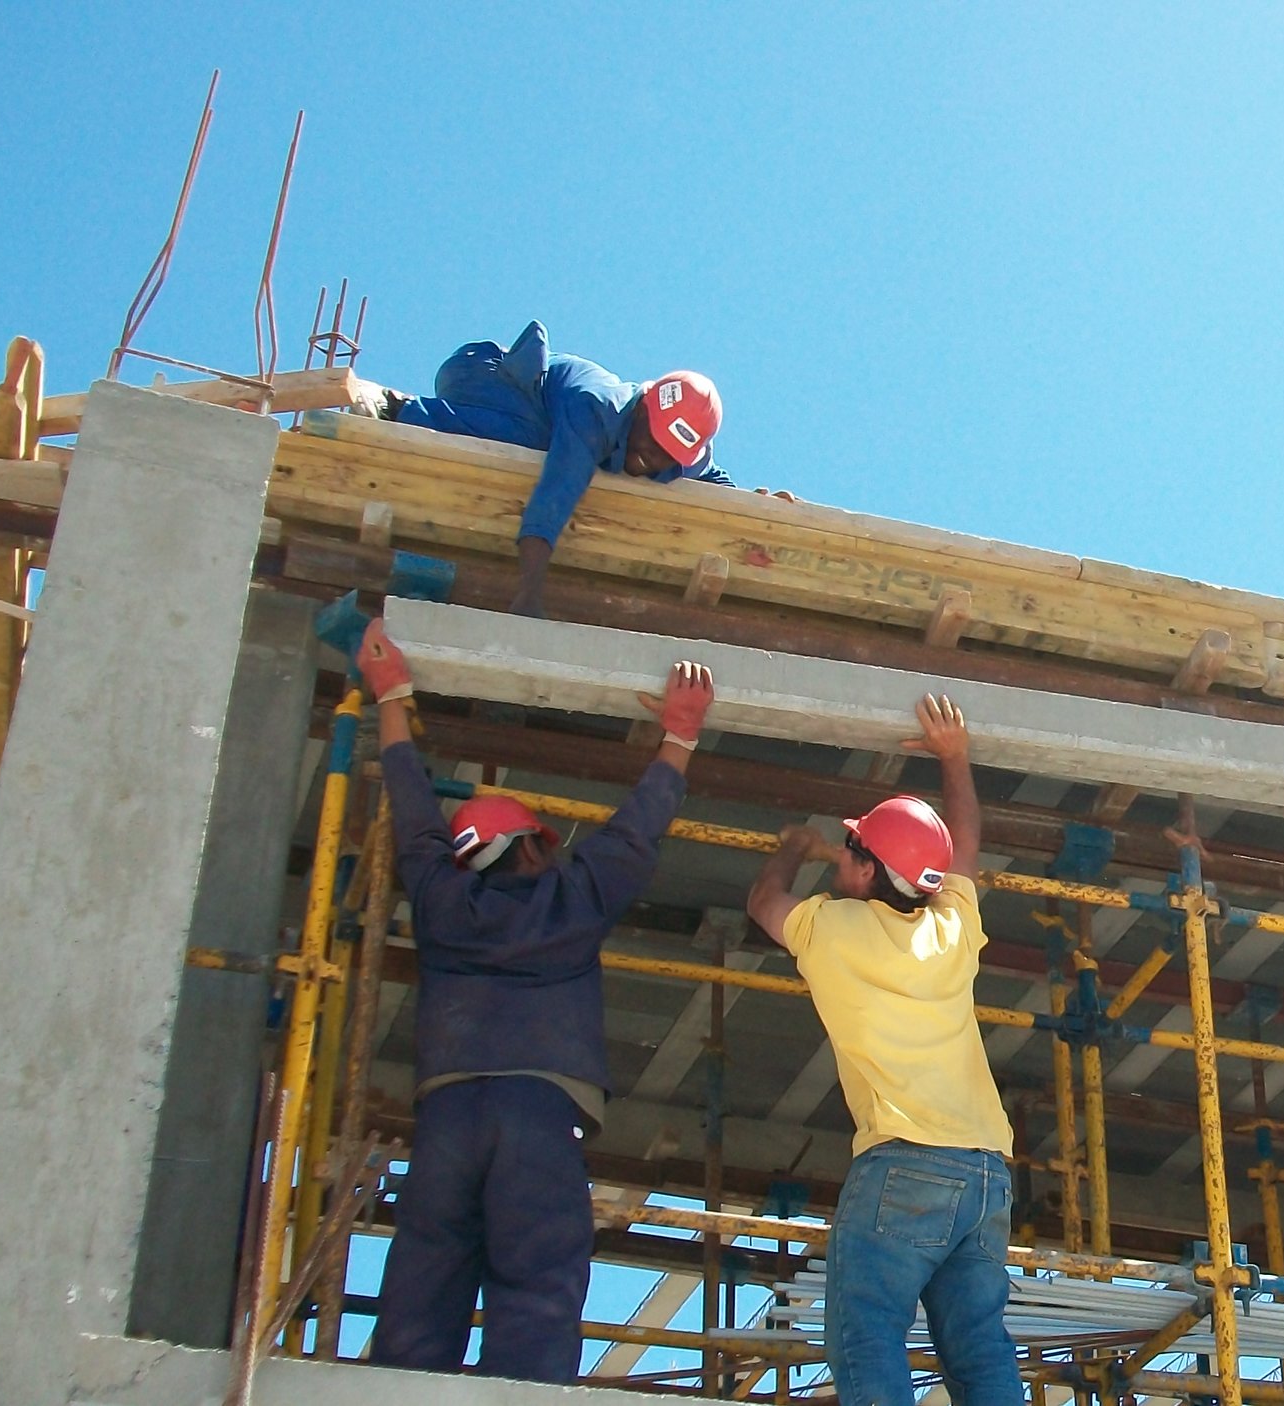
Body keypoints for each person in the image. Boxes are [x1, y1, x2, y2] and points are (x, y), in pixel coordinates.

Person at [351, 619, 712, 1382]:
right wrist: (678, 737)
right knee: (537, 1292)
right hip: (540, 1115)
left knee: (423, 1286)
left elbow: (413, 808)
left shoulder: (440, 895)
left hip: (448, 1114)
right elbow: (634, 835)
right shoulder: (573, 897)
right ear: (538, 844)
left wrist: (393, 695)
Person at [745, 695, 1022, 1406]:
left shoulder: (834, 930)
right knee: (979, 1346)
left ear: (869, 874)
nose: (842, 853)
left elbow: (763, 907)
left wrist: (791, 848)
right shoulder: (953, 931)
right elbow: (963, 846)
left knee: (866, 1330)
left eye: (849, 848)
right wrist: (955, 756)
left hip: (905, 1160)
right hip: (987, 1172)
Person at [378, 320, 732, 617]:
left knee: (548, 438)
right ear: (642, 409)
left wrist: (768, 503)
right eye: (650, 441)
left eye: (667, 454)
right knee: (541, 443)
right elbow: (555, 497)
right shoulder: (595, 409)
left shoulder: (687, 454)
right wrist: (530, 594)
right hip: (480, 373)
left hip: (530, 407)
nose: (651, 459)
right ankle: (398, 408)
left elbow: (713, 478)